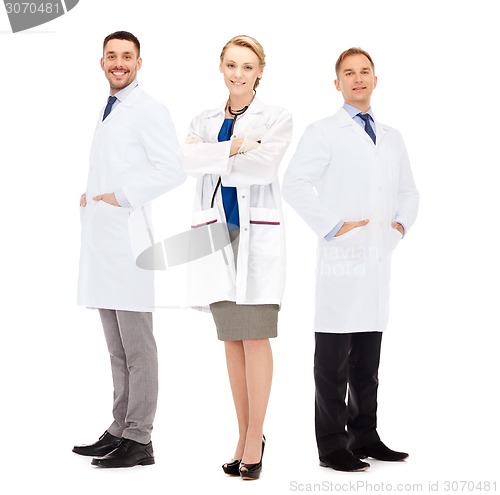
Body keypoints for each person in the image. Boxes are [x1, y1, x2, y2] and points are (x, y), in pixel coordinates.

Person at [282, 47, 419, 472]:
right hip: (342, 258)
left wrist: (398, 227)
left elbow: (409, 193)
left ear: (375, 80)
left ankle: (366, 435)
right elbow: (295, 183)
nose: (357, 79)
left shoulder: (392, 136)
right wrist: (333, 224)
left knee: (368, 359)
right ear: (336, 83)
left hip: (378, 259)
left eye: (365, 72)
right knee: (332, 361)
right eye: (348, 73)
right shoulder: (323, 132)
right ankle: (333, 445)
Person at [178, 35, 292, 480]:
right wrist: (238, 146)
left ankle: (255, 436)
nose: (238, 73)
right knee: (231, 339)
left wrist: (214, 156)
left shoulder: (276, 117)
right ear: (220, 67)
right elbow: (186, 161)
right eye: (231, 65)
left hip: (255, 238)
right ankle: (245, 434)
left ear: (260, 71)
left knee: (255, 336)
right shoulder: (204, 119)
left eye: (247, 66)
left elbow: (264, 168)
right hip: (215, 236)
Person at [73, 31, 186, 468]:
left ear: (139, 63)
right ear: (101, 62)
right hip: (104, 240)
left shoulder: (149, 109)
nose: (119, 63)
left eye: (127, 56)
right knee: (116, 347)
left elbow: (171, 170)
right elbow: (116, 162)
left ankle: (140, 438)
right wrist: (93, 194)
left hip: (129, 241)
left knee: (138, 346)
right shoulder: (112, 107)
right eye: (111, 56)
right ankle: (120, 427)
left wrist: (119, 196)